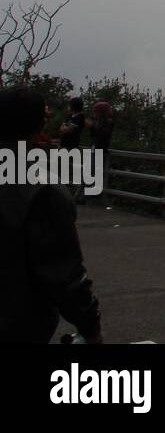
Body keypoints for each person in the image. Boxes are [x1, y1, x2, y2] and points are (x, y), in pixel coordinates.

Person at [0, 86, 103, 344]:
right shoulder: (42, 192)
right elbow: (64, 274)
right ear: (39, 124)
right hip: (17, 324)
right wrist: (90, 327)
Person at [59, 97, 88, 204]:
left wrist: (65, 129)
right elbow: (63, 129)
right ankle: (64, 191)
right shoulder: (70, 116)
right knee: (61, 168)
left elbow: (67, 129)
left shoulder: (80, 117)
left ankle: (69, 192)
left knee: (69, 169)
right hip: (64, 144)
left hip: (71, 145)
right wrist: (65, 129)